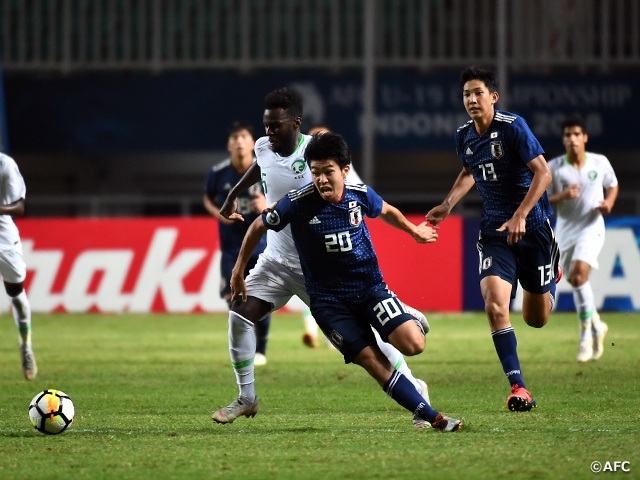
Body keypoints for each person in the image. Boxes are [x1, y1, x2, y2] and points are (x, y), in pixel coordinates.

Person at [212, 87, 430, 426]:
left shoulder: (315, 157)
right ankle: (247, 397)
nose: (268, 133)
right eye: (266, 125)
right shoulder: (263, 146)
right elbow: (261, 167)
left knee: (364, 341)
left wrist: (410, 229)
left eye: (276, 126)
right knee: (239, 315)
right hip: (276, 260)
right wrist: (234, 195)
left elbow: (354, 190)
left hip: (322, 269)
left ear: (296, 123)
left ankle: (416, 388)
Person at [229, 132, 462, 432]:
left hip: (369, 290)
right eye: (315, 173)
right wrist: (238, 270)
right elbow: (259, 224)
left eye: (328, 172)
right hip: (329, 303)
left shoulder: (358, 193)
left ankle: (403, 314)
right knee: (374, 363)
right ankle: (434, 417)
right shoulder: (297, 203)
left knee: (414, 345)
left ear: (344, 170)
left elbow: (387, 210)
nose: (322, 180)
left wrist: (413, 232)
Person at [426, 66, 560, 412]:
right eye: (466, 94)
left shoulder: (512, 127)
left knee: (536, 318)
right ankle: (518, 386)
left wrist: (521, 215)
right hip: (494, 232)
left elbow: (544, 172)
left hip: (534, 229)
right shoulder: (463, 136)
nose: (471, 99)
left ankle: (549, 277)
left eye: (478, 93)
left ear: (493, 97)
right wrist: (447, 204)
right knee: (495, 304)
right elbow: (470, 171)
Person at [547, 115, 618, 362]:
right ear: (564, 139)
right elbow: (541, 199)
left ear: (584, 138)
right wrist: (563, 195)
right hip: (566, 230)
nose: (572, 139)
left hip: (591, 227)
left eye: (577, 134)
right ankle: (597, 325)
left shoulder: (599, 162)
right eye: (568, 135)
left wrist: (608, 202)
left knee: (579, 276)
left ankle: (585, 335)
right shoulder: (554, 167)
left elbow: (613, 184)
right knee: (575, 281)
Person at [203, 121, 271, 366]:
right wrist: (218, 212)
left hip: (262, 247)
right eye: (235, 137)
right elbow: (208, 199)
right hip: (231, 248)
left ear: (253, 142)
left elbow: (284, 198)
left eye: (244, 136)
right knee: (233, 298)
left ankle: (260, 350)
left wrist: (266, 205)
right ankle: (245, 347)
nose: (239, 141)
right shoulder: (218, 173)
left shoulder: (267, 169)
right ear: (228, 144)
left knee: (262, 297)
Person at [300, 123, 362, 349]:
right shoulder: (307, 167)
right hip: (317, 234)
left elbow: (357, 189)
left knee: (326, 287)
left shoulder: (340, 166)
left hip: (341, 232)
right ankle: (325, 333)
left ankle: (326, 332)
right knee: (319, 286)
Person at [0, 152, 37, 380]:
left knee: (18, 299)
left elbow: (20, 207)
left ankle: (26, 345)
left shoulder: (5, 164)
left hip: (4, 239)